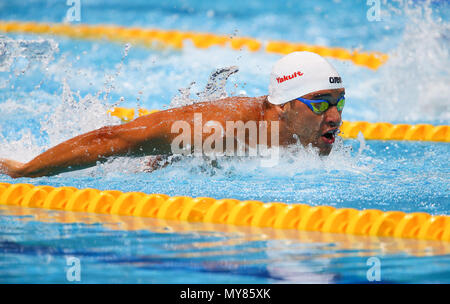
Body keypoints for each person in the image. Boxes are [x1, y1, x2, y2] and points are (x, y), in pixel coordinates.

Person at [0, 51, 345, 178]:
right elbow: (113, 138)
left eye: (338, 102)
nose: (334, 116)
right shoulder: (224, 127)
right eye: (320, 102)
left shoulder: (311, 135)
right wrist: (26, 170)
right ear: (283, 105)